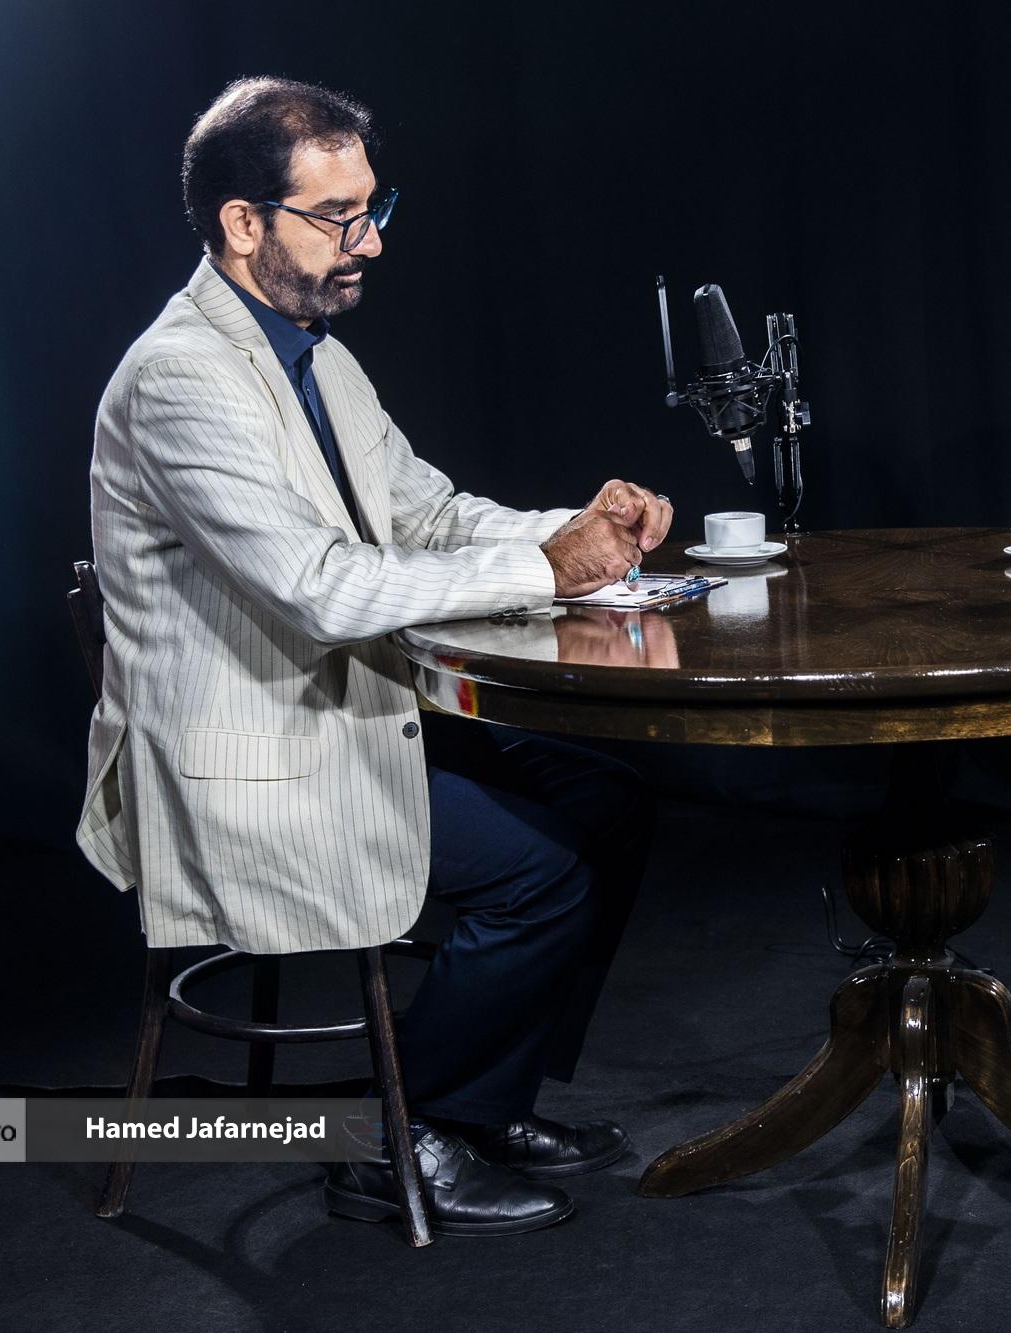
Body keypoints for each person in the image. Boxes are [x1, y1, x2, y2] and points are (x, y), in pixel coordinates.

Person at [77, 77, 673, 1236]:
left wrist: (577, 530)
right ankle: (400, 1135)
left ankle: (484, 1101)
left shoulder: (317, 357)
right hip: (243, 761)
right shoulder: (179, 379)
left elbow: (428, 513)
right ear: (242, 223)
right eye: (338, 216)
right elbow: (321, 589)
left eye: (372, 206)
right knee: (538, 876)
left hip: (335, 713)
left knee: (606, 800)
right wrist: (548, 569)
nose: (372, 240)